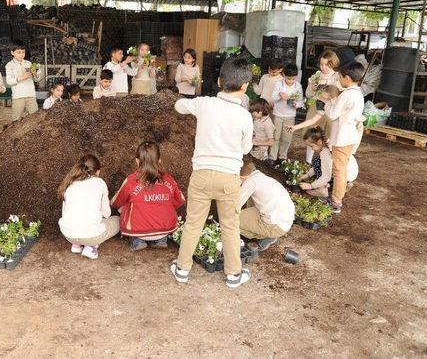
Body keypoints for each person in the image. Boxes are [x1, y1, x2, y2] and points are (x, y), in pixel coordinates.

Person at [171, 56, 254, 289]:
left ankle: (182, 269)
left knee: (193, 223)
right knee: (230, 225)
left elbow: (179, 106)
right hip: (229, 178)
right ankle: (233, 274)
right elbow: (247, 148)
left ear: (219, 81)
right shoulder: (245, 116)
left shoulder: (205, 103)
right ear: (245, 86)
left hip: (201, 175)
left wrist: (194, 106)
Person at [111, 141, 185, 251]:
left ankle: (137, 241)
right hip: (164, 229)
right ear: (159, 160)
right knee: (165, 203)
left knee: (126, 203)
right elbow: (181, 200)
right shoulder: (169, 179)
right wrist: (163, 203)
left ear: (137, 161)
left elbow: (115, 202)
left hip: (138, 231)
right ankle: (161, 240)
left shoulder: (131, 180)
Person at [57, 154, 119, 260]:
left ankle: (76, 245)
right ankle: (90, 247)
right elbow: (107, 214)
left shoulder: (69, 183)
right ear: (98, 171)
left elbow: (65, 212)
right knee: (117, 220)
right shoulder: (100, 183)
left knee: (82, 221)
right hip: (91, 236)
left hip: (68, 235)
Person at [325, 61, 365, 213]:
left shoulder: (346, 95)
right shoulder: (358, 94)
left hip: (341, 137)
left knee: (339, 170)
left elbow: (333, 114)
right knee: (342, 167)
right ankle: (339, 194)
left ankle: (336, 201)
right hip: (350, 136)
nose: (339, 80)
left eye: (340, 77)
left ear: (347, 78)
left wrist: (329, 102)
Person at [238, 160, 294, 250]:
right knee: (249, 203)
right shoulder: (260, 177)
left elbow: (235, 205)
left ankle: (266, 238)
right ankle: (265, 232)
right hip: (284, 220)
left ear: (243, 177)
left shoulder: (251, 182)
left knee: (232, 221)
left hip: (276, 226)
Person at [298, 127, 359, 199]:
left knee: (317, 160)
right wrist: (307, 175)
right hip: (351, 172)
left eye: (312, 146)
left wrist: (311, 185)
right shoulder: (328, 143)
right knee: (319, 161)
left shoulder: (325, 153)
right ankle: (344, 184)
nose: (312, 149)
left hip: (346, 174)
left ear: (319, 142)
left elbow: (326, 176)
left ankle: (322, 190)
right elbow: (320, 166)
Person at [304, 50, 341, 163]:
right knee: (312, 134)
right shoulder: (316, 76)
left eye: (326, 65)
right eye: (321, 64)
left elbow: (339, 94)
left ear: (333, 64)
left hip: (330, 110)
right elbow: (308, 94)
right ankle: (308, 162)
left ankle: (324, 162)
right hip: (316, 108)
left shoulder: (338, 77)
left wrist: (330, 94)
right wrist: (314, 89)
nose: (323, 67)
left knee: (327, 137)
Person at [269, 63, 303, 164]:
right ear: (284, 75)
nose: (291, 81)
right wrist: (280, 96)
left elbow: (300, 101)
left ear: (296, 77)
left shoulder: (298, 86)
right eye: (288, 78)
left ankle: (282, 157)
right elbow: (272, 98)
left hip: (290, 116)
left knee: (287, 138)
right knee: (276, 136)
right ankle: (272, 157)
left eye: (293, 79)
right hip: (278, 114)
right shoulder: (279, 84)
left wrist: (296, 104)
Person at [5, 40, 43, 121]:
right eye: (18, 52)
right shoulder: (9, 65)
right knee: (16, 119)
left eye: (23, 52)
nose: (21, 55)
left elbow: (37, 80)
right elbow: (9, 81)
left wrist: (36, 74)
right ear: (12, 52)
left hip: (31, 95)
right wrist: (22, 77)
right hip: (18, 96)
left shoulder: (28, 63)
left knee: (35, 118)